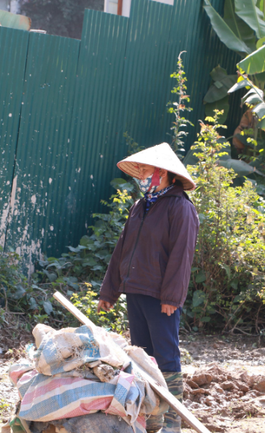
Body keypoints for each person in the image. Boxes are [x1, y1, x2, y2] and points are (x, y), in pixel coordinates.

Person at [96, 142, 199, 433]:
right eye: (139, 170)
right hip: (136, 291)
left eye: (145, 169)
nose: (140, 174)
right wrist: (109, 291)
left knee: (165, 356)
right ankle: (151, 418)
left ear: (164, 173)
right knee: (142, 357)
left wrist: (171, 296)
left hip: (161, 297)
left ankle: (172, 421)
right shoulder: (141, 206)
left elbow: (182, 257)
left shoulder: (181, 208)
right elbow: (122, 250)